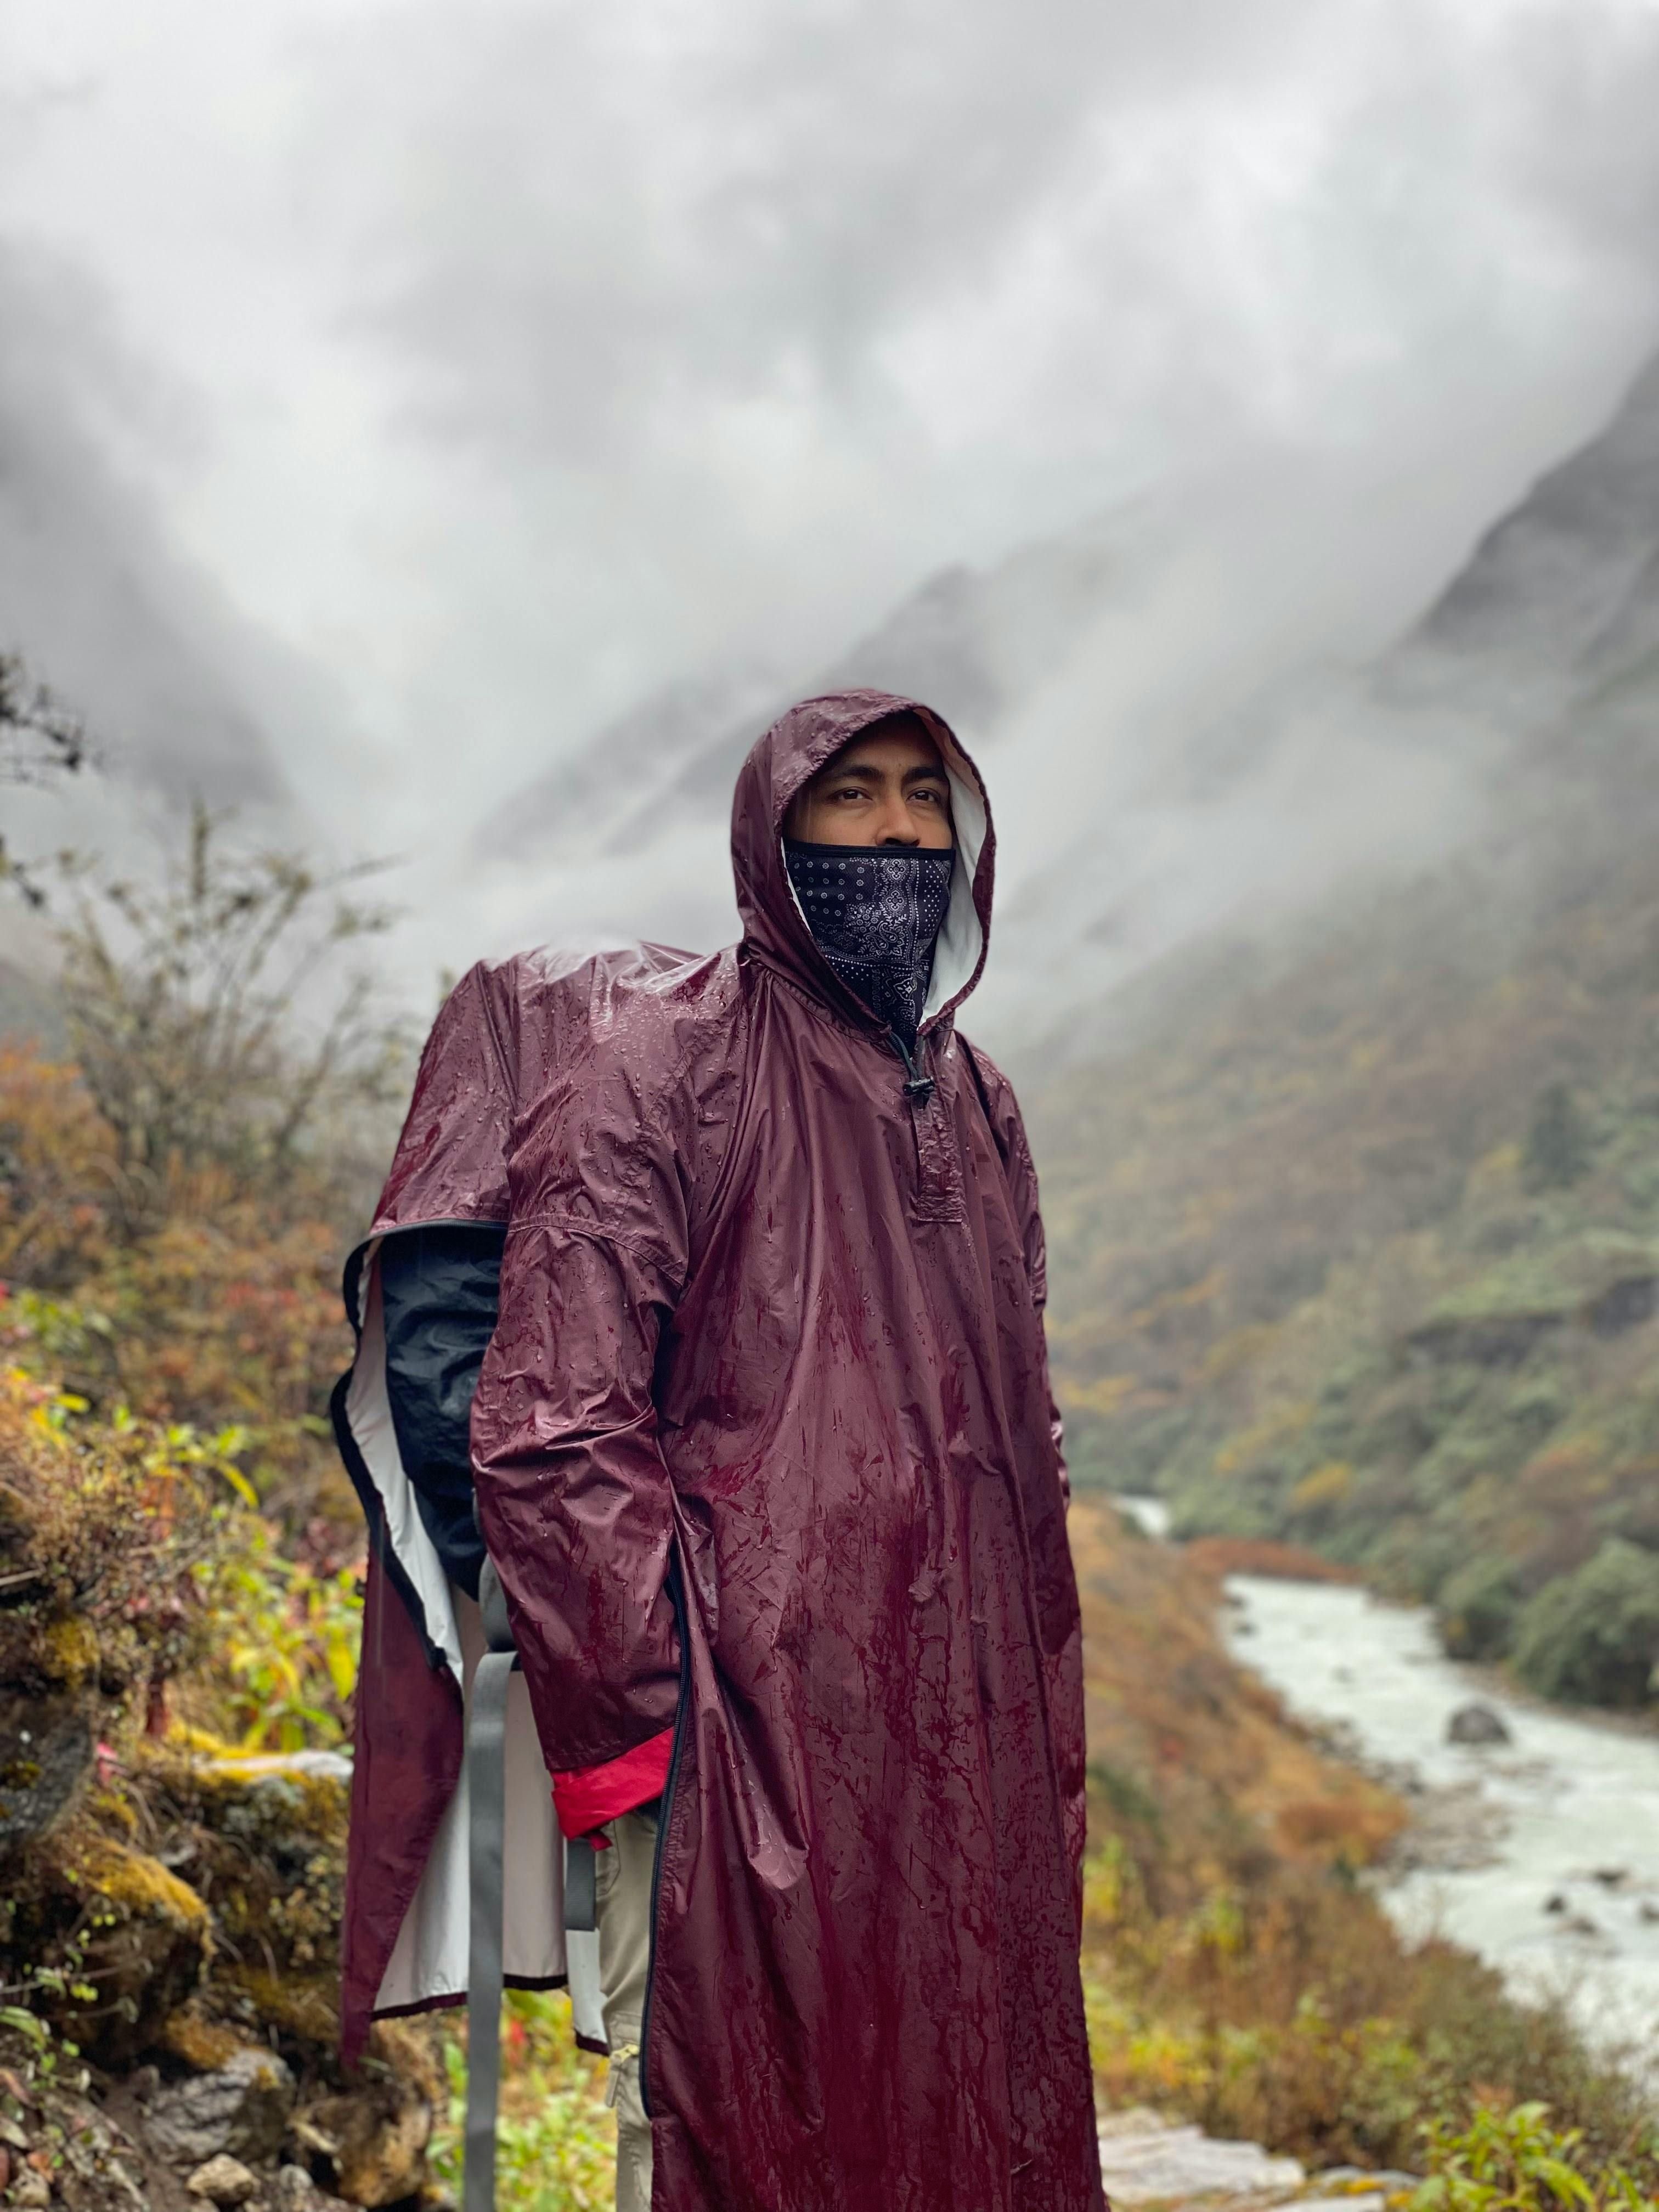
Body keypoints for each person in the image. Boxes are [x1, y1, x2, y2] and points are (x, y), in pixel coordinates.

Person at [332, 689, 1101, 2212]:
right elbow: (557, 1422)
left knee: (965, 2107)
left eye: (924, 798)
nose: (896, 829)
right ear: (773, 832)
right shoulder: (665, 1064)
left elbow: (1020, 1417)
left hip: (959, 1737)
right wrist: (649, 1724)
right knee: (725, 2125)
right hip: (737, 1733)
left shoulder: (982, 1100)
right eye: (851, 797)